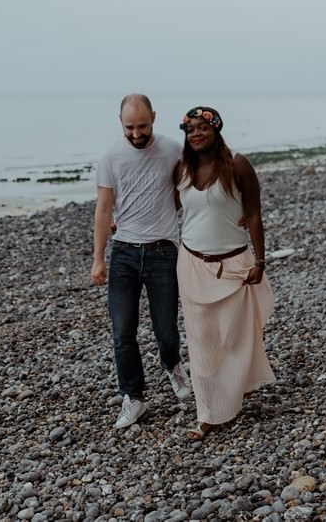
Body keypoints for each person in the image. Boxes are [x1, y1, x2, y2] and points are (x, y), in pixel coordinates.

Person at [175, 105, 276, 441]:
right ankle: (207, 415)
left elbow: (255, 214)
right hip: (191, 264)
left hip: (234, 265)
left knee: (234, 338)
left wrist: (259, 262)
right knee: (201, 342)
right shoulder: (181, 170)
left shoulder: (237, 165)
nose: (196, 135)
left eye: (202, 128)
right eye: (190, 131)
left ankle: (238, 388)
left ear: (216, 130)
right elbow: (165, 207)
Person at [91, 94, 192, 429]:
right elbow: (104, 209)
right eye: (129, 127)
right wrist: (98, 259)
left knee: (165, 328)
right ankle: (133, 398)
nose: (136, 134)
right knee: (123, 333)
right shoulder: (110, 157)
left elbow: (185, 191)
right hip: (124, 255)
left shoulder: (172, 149)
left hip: (164, 251)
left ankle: (173, 366)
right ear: (120, 122)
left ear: (154, 118)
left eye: (142, 126)